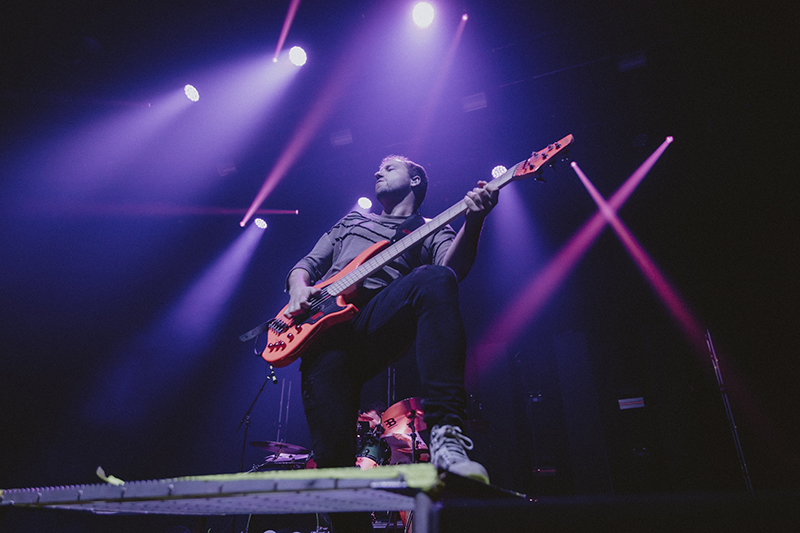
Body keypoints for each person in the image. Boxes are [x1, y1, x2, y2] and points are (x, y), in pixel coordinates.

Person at [284, 155, 497, 531]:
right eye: (378, 168)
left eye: (389, 167)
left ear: (415, 180)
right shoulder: (352, 221)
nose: (377, 172)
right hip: (322, 334)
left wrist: (474, 221)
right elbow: (306, 265)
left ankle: (446, 435)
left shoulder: (431, 228)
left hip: (375, 319)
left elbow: (451, 270)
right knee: (334, 468)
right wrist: (298, 289)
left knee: (435, 278)